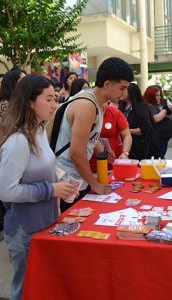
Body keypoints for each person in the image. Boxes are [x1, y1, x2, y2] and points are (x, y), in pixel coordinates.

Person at [0, 74, 75, 300]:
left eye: (55, 98)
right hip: (25, 231)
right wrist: (51, 190)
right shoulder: (19, 141)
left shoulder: (39, 131)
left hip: (43, 224)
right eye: (48, 99)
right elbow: (7, 191)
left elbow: (42, 169)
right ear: (30, 102)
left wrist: (60, 183)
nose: (54, 104)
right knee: (25, 290)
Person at [55, 57, 133, 212]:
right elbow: (76, 152)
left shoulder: (96, 102)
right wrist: (95, 184)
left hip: (75, 179)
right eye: (122, 88)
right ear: (107, 84)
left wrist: (102, 150)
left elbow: (87, 136)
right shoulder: (87, 105)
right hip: (68, 181)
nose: (124, 94)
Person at [118, 83, 158, 161]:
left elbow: (145, 129)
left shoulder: (141, 108)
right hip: (125, 145)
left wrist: (126, 131)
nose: (121, 92)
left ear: (131, 92)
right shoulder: (121, 106)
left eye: (123, 90)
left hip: (140, 146)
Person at [0, 68, 24, 143]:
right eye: (23, 80)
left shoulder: (22, 103)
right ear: (13, 83)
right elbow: (1, 133)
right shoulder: (4, 105)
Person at [144, 84, 172, 159]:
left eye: (159, 95)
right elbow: (156, 118)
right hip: (157, 137)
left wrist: (168, 110)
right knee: (158, 158)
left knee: (161, 156)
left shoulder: (158, 104)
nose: (159, 97)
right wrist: (165, 109)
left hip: (164, 135)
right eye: (157, 95)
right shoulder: (148, 106)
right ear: (151, 96)